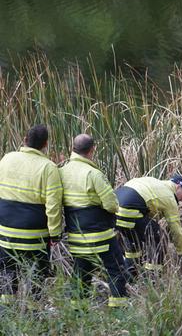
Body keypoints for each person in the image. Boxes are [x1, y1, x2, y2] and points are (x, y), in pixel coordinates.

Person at [59, 134, 129, 308]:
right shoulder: (93, 174)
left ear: (72, 148)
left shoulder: (61, 172)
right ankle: (118, 309)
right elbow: (111, 205)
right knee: (117, 269)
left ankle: (77, 310)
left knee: (81, 272)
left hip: (76, 236)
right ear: (92, 150)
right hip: (101, 236)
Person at [0, 124, 63, 303]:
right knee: (37, 274)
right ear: (45, 144)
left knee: (7, 271)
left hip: (6, 233)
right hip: (35, 236)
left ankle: (6, 310)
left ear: (24, 140)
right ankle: (35, 312)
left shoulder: (7, 158)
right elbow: (53, 205)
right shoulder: (49, 168)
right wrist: (55, 234)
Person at [115, 175, 182, 274]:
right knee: (161, 238)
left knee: (133, 236)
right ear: (177, 186)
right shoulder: (169, 197)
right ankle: (152, 277)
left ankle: (130, 273)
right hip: (130, 210)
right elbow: (176, 230)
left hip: (115, 210)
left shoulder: (153, 183)